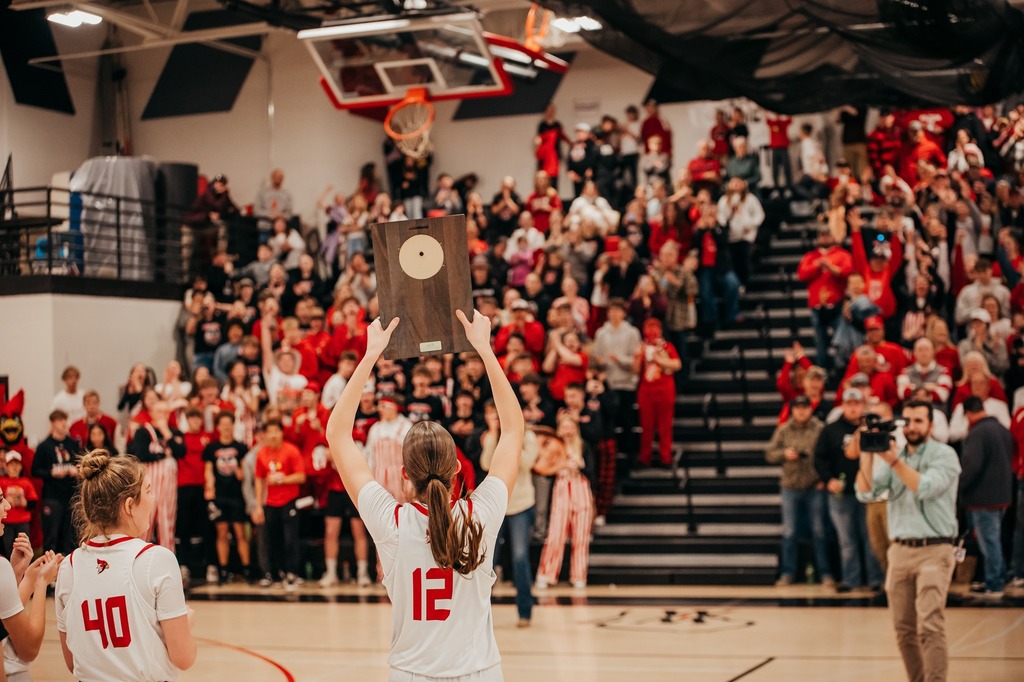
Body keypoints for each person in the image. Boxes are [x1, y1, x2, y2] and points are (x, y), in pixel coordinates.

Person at [325, 309, 524, 681]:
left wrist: (371, 355)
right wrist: (484, 348)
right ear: (458, 470)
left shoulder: (393, 523)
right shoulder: (480, 515)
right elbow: (513, 430)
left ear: (404, 476)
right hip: (479, 673)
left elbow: (337, 434)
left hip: (411, 674)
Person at [56, 450, 197, 680]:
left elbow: (72, 663)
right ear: (130, 505)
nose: (153, 499)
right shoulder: (157, 559)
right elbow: (184, 658)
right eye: (149, 492)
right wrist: (186, 625)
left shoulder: (68, 566)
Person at [855, 400, 961, 682]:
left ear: (930, 424)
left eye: (918, 421)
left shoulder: (945, 455)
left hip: (935, 549)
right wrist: (867, 454)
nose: (912, 427)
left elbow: (925, 488)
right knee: (903, 629)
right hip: (900, 551)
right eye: (908, 421)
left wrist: (893, 461)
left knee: (929, 625)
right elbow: (865, 493)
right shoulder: (896, 455)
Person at [814, 388, 884, 592]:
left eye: (857, 404)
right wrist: (828, 480)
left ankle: (875, 579)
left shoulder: (872, 428)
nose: (853, 408)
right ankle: (851, 579)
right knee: (847, 540)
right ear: (843, 405)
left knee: (871, 538)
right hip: (841, 493)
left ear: (863, 406)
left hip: (868, 492)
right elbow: (819, 457)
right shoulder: (830, 430)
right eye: (849, 404)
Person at [480, 400, 537, 626]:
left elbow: (524, 464)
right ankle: (481, 615)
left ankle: (525, 611)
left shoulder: (529, 436)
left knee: (520, 558)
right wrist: (494, 434)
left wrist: (514, 437)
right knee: (487, 561)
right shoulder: (491, 436)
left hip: (521, 505)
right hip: (496, 506)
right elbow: (486, 463)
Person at [765, 396, 831, 586]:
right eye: (797, 408)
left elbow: (827, 454)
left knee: (820, 531)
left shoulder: (820, 428)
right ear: (792, 410)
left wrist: (823, 479)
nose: (801, 411)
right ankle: (788, 572)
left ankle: (825, 573)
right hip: (790, 485)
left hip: (814, 484)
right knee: (790, 532)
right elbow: (769, 453)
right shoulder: (784, 430)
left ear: (810, 409)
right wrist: (784, 454)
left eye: (805, 407)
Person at [958, 396, 1014, 598]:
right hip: (1002, 494)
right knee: (994, 540)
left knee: (989, 541)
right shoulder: (1001, 429)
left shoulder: (978, 433)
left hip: (983, 498)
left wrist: (960, 487)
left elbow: (972, 466)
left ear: (968, 413)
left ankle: (994, 583)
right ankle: (997, 576)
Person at [534, 415, 594, 590]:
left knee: (581, 537)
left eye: (570, 427)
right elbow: (542, 468)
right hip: (561, 489)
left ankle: (579, 575)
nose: (567, 431)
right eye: (564, 427)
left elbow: (591, 470)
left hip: (580, 489)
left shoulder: (583, 446)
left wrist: (579, 468)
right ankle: (546, 573)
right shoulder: (553, 445)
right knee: (556, 534)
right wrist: (559, 468)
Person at [252, 420, 306, 590]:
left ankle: (292, 572)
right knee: (271, 539)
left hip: (288, 501)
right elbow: (259, 480)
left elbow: (301, 476)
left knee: (290, 538)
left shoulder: (291, 451)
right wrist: (258, 505)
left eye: (276, 431)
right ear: (265, 435)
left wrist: (283, 478)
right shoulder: (261, 454)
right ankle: (274, 573)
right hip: (270, 503)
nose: (273, 435)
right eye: (270, 432)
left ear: (282, 433)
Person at [127, 401, 185, 552]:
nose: (163, 415)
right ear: (151, 413)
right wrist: (163, 454)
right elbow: (139, 454)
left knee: (167, 522)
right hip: (150, 483)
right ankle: (137, 556)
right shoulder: (144, 431)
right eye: (159, 412)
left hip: (168, 487)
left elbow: (181, 451)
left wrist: (166, 432)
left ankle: (168, 558)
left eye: (166, 412)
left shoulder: (173, 432)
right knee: (145, 521)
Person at [203, 411, 251, 585]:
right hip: (219, 497)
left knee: (240, 533)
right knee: (221, 533)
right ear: (218, 427)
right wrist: (209, 487)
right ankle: (223, 570)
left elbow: (245, 471)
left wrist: (241, 473)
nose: (226, 427)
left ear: (233, 426)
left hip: (237, 496)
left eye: (229, 424)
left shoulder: (241, 447)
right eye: (222, 424)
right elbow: (208, 470)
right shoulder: (211, 448)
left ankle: (246, 570)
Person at [798, 227, 853, 371]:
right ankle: (823, 371)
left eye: (827, 235)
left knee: (841, 341)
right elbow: (802, 274)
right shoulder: (811, 256)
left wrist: (829, 266)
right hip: (817, 306)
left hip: (836, 305)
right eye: (822, 235)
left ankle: (841, 368)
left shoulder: (842, 254)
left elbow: (846, 271)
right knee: (820, 342)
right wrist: (817, 265)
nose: (824, 238)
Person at [633, 319, 681, 467]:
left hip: (664, 389)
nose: (652, 331)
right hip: (646, 391)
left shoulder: (667, 347)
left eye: (655, 327)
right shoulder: (641, 347)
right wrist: (637, 357)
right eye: (649, 327)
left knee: (664, 426)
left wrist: (658, 358)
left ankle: (665, 457)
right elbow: (635, 371)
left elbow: (677, 364)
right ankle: (645, 457)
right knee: (646, 426)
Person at [32, 410, 81, 555]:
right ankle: (49, 570)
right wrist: (50, 473)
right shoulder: (44, 446)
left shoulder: (72, 444)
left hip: (70, 496)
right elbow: (35, 470)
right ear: (53, 423)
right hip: (52, 497)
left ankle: (69, 567)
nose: (64, 424)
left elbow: (81, 465)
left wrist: (76, 470)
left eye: (65, 420)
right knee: (51, 536)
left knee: (69, 536)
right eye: (60, 420)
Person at [0, 453, 38, 558]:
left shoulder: (26, 482)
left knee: (23, 548)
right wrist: (4, 500)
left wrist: (24, 502)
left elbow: (33, 503)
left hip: (22, 522)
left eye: (17, 464)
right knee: (7, 548)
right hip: (6, 522)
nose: (14, 467)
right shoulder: (2, 482)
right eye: (11, 464)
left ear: (21, 467)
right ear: (6, 467)